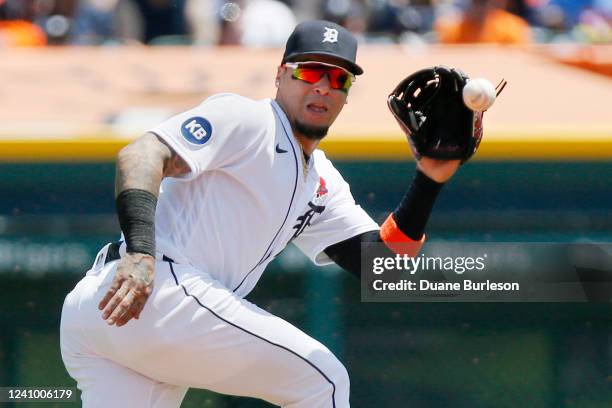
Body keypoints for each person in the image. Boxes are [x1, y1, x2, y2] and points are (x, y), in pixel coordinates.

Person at [60, 20, 462, 407]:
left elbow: (383, 269)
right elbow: (141, 154)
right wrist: (141, 252)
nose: (323, 86)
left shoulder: (321, 179)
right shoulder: (249, 119)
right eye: (310, 72)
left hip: (110, 315)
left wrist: (430, 178)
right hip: (154, 286)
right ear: (280, 75)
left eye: (339, 79)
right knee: (322, 380)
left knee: (318, 381)